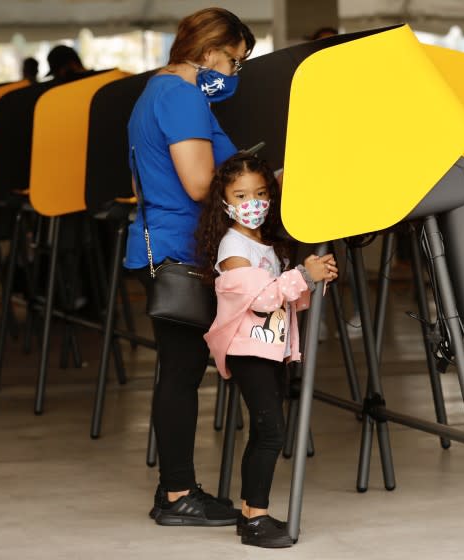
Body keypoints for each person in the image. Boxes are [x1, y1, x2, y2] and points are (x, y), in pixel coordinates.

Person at [125, 7, 255, 527]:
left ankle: (178, 490)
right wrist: (261, 181)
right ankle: (177, 495)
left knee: (178, 374)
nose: (234, 73)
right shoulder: (181, 97)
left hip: (163, 245)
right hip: (180, 251)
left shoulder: (154, 92)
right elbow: (201, 184)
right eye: (233, 60)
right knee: (179, 376)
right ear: (206, 53)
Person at [197, 155, 337, 548]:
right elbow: (261, 299)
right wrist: (304, 275)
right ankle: (255, 518)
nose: (251, 202)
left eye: (259, 193)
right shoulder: (232, 247)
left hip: (270, 350)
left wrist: (313, 276)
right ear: (223, 201)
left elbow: (287, 301)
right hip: (248, 351)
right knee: (271, 431)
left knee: (266, 430)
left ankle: (251, 514)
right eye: (240, 195)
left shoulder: (266, 245)